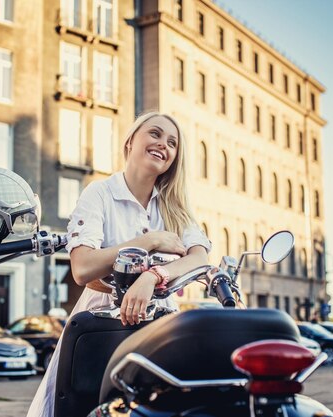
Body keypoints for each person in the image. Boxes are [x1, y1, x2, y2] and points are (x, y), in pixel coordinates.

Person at [26, 112, 211, 417]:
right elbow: (83, 267)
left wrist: (152, 277)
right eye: (154, 134)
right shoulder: (99, 193)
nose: (163, 144)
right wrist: (149, 241)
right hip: (100, 324)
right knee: (86, 406)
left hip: (160, 326)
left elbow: (199, 258)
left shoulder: (175, 206)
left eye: (172, 142)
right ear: (129, 142)